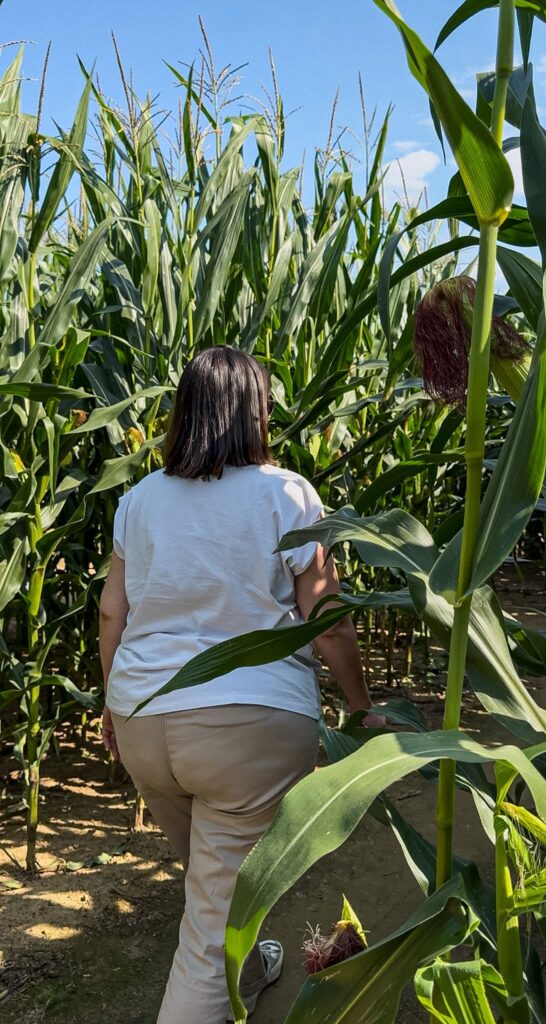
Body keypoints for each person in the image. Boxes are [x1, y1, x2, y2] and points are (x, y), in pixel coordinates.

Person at [99, 346, 384, 1024]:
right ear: (253, 412)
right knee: (208, 925)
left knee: (211, 875)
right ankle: (216, 987)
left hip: (144, 720)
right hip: (246, 724)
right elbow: (327, 622)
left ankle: (250, 971)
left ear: (187, 412)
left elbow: (114, 611)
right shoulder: (285, 493)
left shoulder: (137, 501)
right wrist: (363, 708)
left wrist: (112, 708)